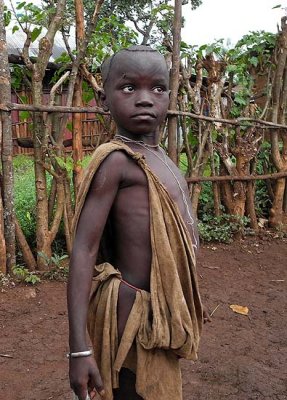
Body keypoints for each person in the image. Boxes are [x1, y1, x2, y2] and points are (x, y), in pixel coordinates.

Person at [67, 45, 207, 400]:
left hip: (162, 313)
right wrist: (80, 349)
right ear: (103, 99)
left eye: (157, 88)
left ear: (169, 96)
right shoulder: (117, 161)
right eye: (129, 88)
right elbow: (83, 250)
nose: (145, 99)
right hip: (132, 320)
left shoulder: (161, 157)